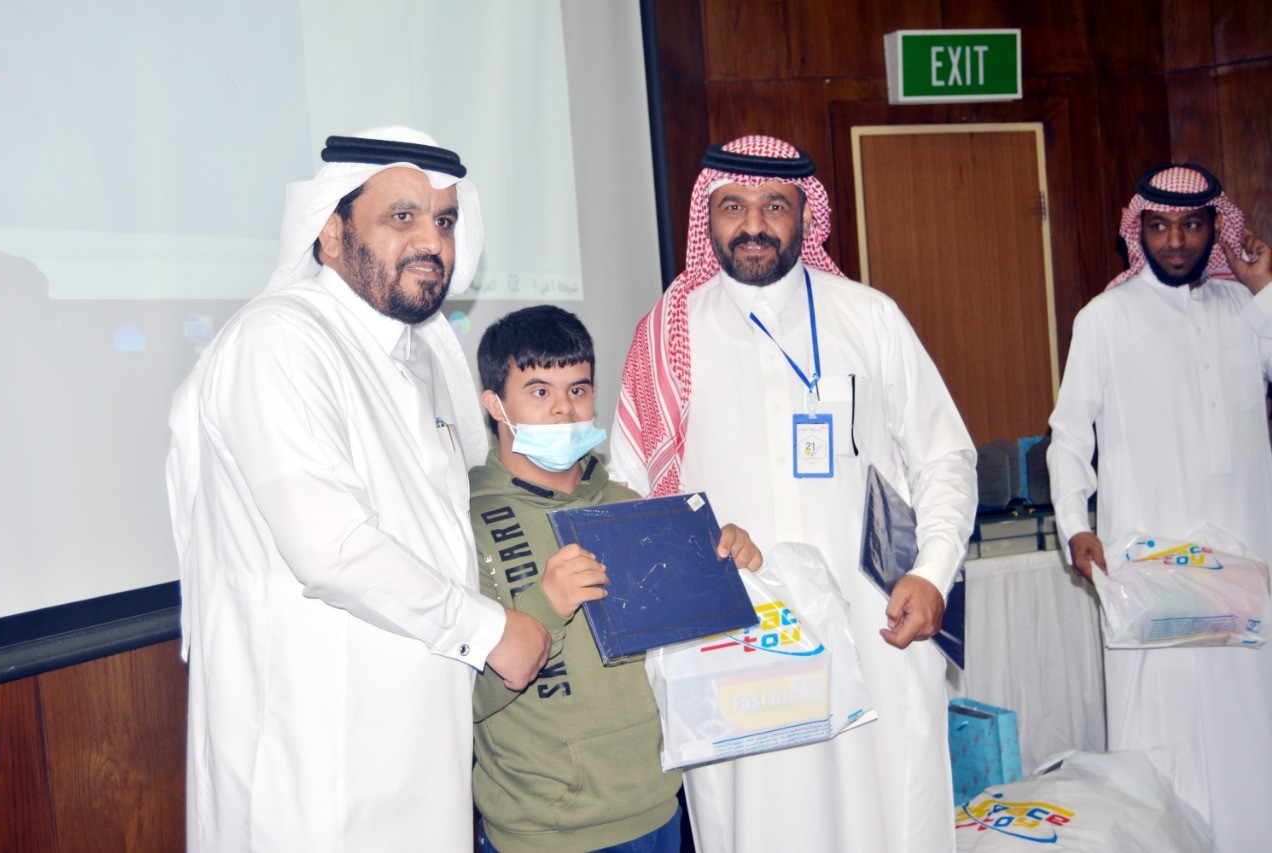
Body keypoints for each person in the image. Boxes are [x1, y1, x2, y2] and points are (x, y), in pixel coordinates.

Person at [166, 127, 551, 851]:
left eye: (445, 220)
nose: (432, 241)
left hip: (419, 748)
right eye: (402, 216)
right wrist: (491, 631)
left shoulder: (421, 351)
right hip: (314, 752)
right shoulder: (280, 340)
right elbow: (330, 546)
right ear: (330, 231)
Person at [612, 135, 977, 852]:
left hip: (876, 619)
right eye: (733, 206)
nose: (753, 224)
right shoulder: (666, 334)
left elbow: (945, 455)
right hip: (737, 640)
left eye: (774, 205)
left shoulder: (868, 316)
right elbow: (631, 497)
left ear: (806, 216)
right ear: (707, 216)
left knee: (888, 813)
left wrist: (933, 572)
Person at [469, 304, 762, 853]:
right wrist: (545, 605)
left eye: (578, 389)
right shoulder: (466, 522)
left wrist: (729, 566)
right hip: (543, 832)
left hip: (657, 808)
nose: (564, 408)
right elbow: (458, 700)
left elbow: (697, 657)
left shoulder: (632, 507)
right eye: (539, 391)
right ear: (494, 404)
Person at [1047, 162, 1272, 851]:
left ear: (1214, 228)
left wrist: (1264, 287)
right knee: (1159, 732)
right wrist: (1076, 525)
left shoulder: (1245, 309)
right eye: (1160, 225)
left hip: (1245, 569)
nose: (1176, 240)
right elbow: (1068, 437)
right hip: (1148, 571)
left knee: (1250, 725)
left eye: (1193, 224)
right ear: (1137, 229)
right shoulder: (1105, 319)